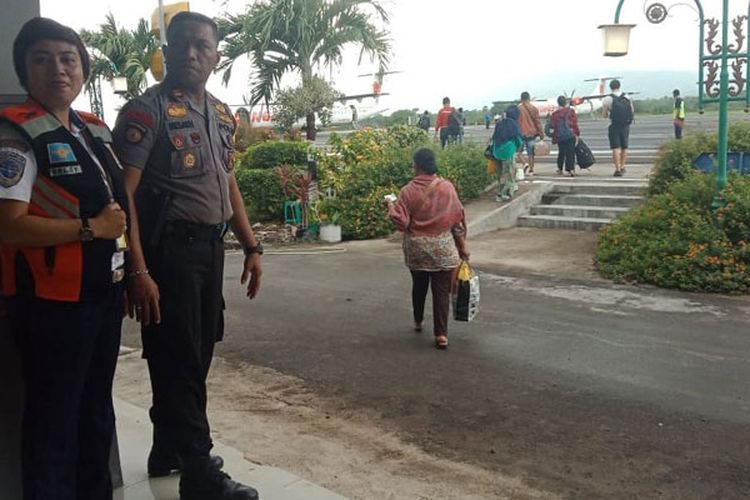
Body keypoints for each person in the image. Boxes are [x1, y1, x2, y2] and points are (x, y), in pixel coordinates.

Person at [111, 12, 262, 500]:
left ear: (217, 56)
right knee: (177, 355)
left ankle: (167, 447)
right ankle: (200, 472)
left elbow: (228, 181)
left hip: (210, 250)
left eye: (203, 46)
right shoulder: (144, 111)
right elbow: (123, 196)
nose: (192, 54)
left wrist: (251, 244)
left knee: (197, 351)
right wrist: (137, 269)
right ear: (167, 51)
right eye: (182, 45)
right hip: (168, 252)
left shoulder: (220, 113)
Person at [0, 17, 129, 500]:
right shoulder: (14, 137)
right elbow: (7, 224)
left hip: (102, 295)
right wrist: (90, 230)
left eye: (68, 58)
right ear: (24, 71)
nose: (58, 69)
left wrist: (135, 270)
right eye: (43, 59)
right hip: (51, 304)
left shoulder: (93, 129)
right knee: (53, 421)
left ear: (83, 69)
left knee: (95, 410)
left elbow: (122, 208)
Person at [386, 148, 469, 349]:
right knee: (441, 292)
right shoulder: (447, 188)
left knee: (419, 286)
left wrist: (390, 205)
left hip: (416, 250)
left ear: (418, 165)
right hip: (443, 249)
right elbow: (456, 223)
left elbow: (402, 223)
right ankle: (441, 335)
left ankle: (418, 320)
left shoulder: (407, 191)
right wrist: (463, 248)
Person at [602, 79, 634, 177]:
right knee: (625, 146)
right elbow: (632, 110)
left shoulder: (607, 99)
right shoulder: (627, 96)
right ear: (619, 86)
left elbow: (604, 115)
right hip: (625, 125)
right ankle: (623, 166)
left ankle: (617, 169)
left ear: (610, 87)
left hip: (614, 125)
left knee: (615, 147)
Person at [490, 106, 523, 201]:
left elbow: (494, 137)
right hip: (507, 153)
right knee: (508, 173)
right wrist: (518, 149)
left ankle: (501, 191)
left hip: (496, 152)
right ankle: (504, 194)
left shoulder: (499, 123)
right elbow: (518, 140)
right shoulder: (514, 124)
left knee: (500, 174)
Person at [549, 95, 580, 177]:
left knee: (561, 152)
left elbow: (552, 126)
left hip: (560, 136)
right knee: (571, 152)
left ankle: (559, 168)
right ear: (565, 102)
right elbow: (574, 123)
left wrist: (554, 135)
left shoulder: (554, 114)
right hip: (570, 135)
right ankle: (571, 169)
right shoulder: (571, 111)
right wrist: (577, 133)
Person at [517, 91, 545, 177]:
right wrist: (541, 133)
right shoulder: (534, 109)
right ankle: (531, 170)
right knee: (531, 153)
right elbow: (537, 122)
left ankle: (524, 163)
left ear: (521, 99)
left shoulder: (518, 109)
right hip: (531, 133)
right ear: (529, 98)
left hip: (521, 133)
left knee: (519, 151)